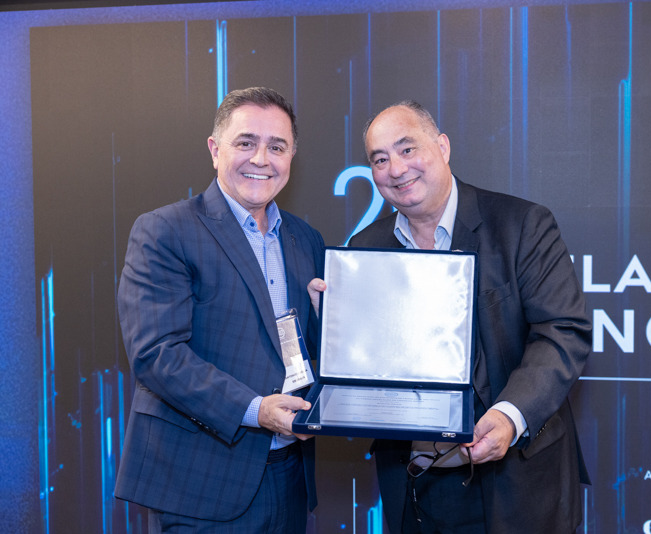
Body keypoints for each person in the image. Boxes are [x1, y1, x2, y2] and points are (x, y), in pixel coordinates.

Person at [309, 101, 591, 533]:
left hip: (514, 482)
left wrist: (509, 415)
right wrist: (332, 326)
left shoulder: (521, 225)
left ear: (442, 146)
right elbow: (367, 364)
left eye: (407, 149)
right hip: (415, 485)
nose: (396, 169)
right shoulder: (366, 247)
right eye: (379, 160)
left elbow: (563, 331)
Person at [115, 87, 324, 533]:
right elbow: (157, 355)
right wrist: (256, 409)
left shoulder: (305, 239)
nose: (261, 159)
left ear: (292, 157)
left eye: (277, 147)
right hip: (200, 482)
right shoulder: (165, 231)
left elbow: (302, 350)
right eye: (246, 142)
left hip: (290, 476)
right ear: (215, 150)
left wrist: (331, 323)